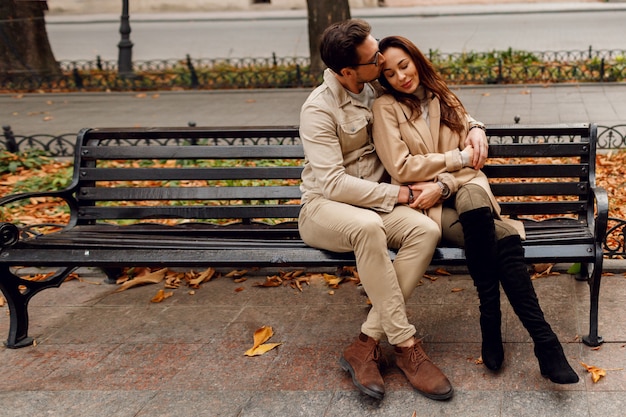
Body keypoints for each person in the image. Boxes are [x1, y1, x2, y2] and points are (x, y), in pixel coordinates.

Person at [371, 35, 579, 384]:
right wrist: (458, 160)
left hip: (464, 189)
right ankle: (544, 342)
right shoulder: (385, 108)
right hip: (431, 208)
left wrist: (450, 173)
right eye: (390, 73)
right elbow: (402, 168)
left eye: (403, 65)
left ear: (416, 59)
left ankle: (495, 323)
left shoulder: (442, 93)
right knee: (502, 240)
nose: (401, 77)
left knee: (475, 209)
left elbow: (474, 158)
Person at [298, 20, 454, 401]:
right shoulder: (318, 109)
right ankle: (405, 345)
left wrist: (478, 127)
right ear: (347, 71)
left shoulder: (372, 89)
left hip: (373, 204)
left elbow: (435, 97)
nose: (383, 60)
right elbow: (332, 184)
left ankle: (365, 343)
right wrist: (398, 194)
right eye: (374, 59)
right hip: (325, 208)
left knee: (425, 231)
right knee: (368, 227)